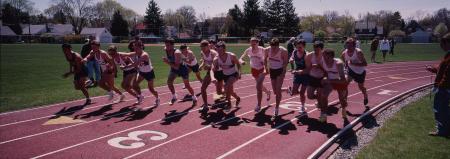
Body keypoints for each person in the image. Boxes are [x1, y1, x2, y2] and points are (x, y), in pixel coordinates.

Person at [425, 33, 450, 137]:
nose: (441, 46)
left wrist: (439, 86)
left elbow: (447, 74)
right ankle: (444, 129)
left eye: (442, 43)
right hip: (444, 88)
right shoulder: (448, 55)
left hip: (444, 89)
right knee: (443, 109)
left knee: (440, 109)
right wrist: (433, 69)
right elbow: (442, 69)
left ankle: (442, 131)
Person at [239, 37, 271, 112]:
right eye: (251, 43)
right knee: (259, 85)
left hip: (262, 69)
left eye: (254, 43)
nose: (253, 45)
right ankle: (268, 92)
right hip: (254, 70)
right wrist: (242, 61)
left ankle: (259, 105)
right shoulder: (248, 50)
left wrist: (263, 61)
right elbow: (240, 58)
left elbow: (269, 57)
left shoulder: (262, 49)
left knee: (258, 86)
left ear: (258, 43)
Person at [163, 38, 197, 106]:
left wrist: (167, 62)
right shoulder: (166, 49)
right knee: (169, 82)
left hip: (182, 68)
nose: (167, 47)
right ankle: (174, 96)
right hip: (173, 68)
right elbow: (174, 66)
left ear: (173, 45)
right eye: (166, 45)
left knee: (187, 85)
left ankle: (194, 96)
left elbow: (177, 67)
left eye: (168, 45)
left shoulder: (177, 52)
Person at [320, 48, 348, 120]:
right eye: (324, 57)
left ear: (332, 57)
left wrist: (329, 80)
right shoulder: (322, 61)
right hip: (330, 81)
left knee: (342, 99)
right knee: (323, 95)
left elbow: (343, 80)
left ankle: (343, 109)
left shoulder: (338, 63)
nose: (325, 59)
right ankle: (324, 114)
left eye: (327, 57)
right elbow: (324, 72)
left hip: (339, 80)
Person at [213, 41, 241, 112]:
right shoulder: (216, 59)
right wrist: (213, 68)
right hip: (225, 75)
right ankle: (237, 98)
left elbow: (238, 64)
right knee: (230, 91)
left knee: (226, 86)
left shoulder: (231, 56)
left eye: (221, 49)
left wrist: (239, 73)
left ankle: (229, 104)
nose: (219, 51)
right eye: (218, 50)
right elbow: (215, 68)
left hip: (234, 74)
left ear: (224, 49)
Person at [264, 38, 289, 119]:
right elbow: (265, 59)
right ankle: (286, 89)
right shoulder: (267, 50)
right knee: (275, 91)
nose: (273, 49)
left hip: (280, 70)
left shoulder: (283, 51)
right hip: (272, 70)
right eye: (272, 47)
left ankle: (277, 108)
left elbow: (285, 62)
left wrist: (283, 72)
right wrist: (266, 68)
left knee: (278, 90)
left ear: (278, 46)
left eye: (275, 47)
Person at [341, 38, 369, 107]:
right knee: (345, 84)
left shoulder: (358, 52)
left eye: (350, 46)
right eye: (347, 46)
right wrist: (346, 67)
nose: (349, 48)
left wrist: (354, 64)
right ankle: (345, 101)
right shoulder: (344, 54)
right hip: (351, 71)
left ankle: (365, 95)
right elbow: (346, 63)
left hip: (360, 72)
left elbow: (365, 64)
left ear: (354, 46)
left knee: (361, 87)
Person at [305, 41, 326, 122]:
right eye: (315, 49)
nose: (316, 51)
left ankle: (322, 114)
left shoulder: (325, 56)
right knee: (309, 96)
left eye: (318, 49)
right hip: (312, 77)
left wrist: (319, 66)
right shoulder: (309, 55)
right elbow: (307, 68)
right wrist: (311, 66)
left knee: (320, 94)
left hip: (322, 77)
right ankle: (319, 100)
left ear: (322, 49)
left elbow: (328, 69)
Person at [288, 39, 309, 114]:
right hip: (297, 73)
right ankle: (294, 91)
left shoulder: (306, 55)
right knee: (294, 92)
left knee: (302, 93)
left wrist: (299, 72)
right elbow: (292, 57)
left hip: (305, 74)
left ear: (304, 47)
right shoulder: (295, 52)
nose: (298, 49)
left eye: (300, 47)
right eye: (297, 47)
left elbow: (308, 69)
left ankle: (302, 107)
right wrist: (291, 59)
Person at [199, 40, 218, 111]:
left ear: (208, 46)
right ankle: (206, 105)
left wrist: (209, 66)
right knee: (203, 88)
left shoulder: (213, 53)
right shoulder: (202, 52)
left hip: (218, 71)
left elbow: (216, 66)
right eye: (201, 47)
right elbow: (204, 61)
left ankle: (229, 93)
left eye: (203, 47)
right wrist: (201, 66)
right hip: (210, 72)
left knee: (220, 90)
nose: (202, 49)